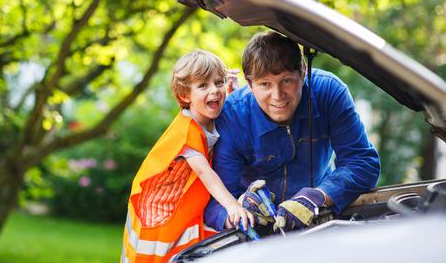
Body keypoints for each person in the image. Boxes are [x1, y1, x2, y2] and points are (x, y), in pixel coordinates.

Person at [204, 31, 380, 233]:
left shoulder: (329, 92)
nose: (278, 95)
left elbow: (362, 162)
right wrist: (238, 212)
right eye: (265, 84)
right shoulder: (231, 117)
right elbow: (214, 203)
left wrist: (319, 196)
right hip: (258, 231)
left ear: (304, 72)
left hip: (320, 218)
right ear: (249, 84)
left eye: (286, 80)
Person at [121, 49, 253, 263]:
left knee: (189, 248)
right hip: (160, 202)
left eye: (218, 82)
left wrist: (232, 88)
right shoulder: (186, 130)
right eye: (203, 85)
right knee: (158, 252)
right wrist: (232, 205)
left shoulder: (211, 111)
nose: (215, 91)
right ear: (184, 95)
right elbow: (204, 171)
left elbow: (230, 105)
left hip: (181, 196)